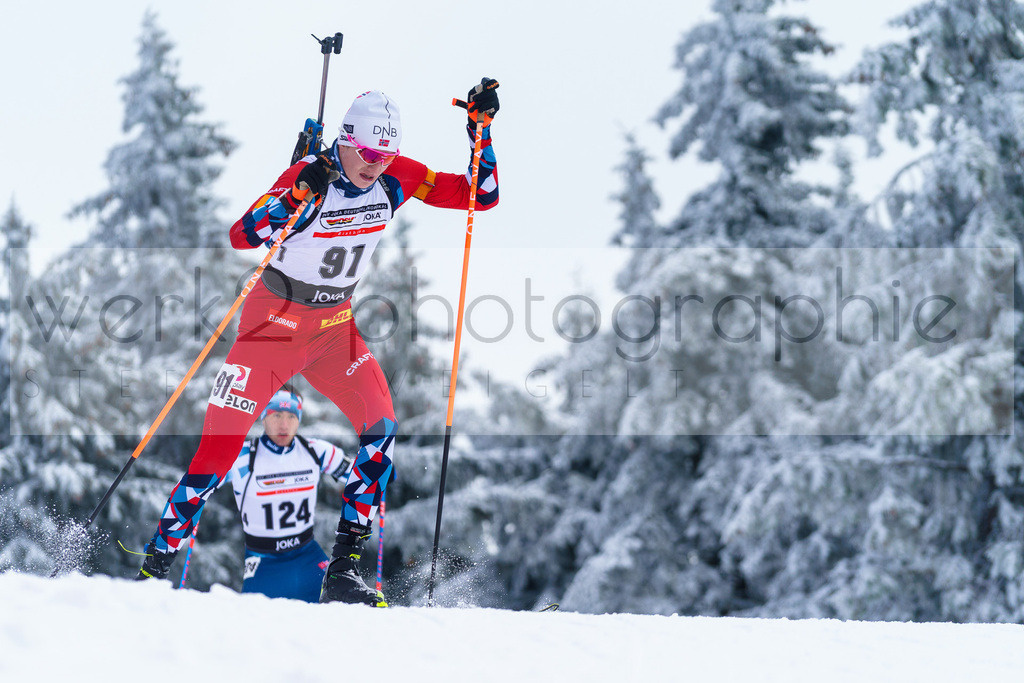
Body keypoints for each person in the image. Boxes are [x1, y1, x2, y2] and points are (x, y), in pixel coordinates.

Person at [135, 78, 500, 606]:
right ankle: (153, 569)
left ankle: (345, 568)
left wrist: (480, 133)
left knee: (381, 430)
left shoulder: (397, 176)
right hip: (271, 327)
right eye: (368, 152)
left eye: (386, 153)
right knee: (218, 453)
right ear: (346, 141)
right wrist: (295, 195)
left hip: (334, 329)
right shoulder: (312, 176)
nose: (376, 163)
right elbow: (244, 234)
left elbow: (478, 196)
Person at [219, 387, 351, 602]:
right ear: (263, 417)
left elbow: (360, 475)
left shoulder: (316, 451)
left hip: (307, 557)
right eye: (276, 415)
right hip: (263, 561)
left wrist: (379, 468)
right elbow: (197, 484)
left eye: (291, 416)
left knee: (337, 618)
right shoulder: (242, 457)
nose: (284, 424)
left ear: (298, 420)